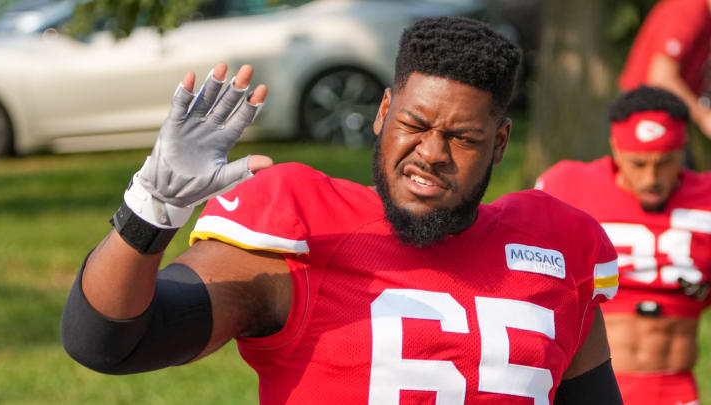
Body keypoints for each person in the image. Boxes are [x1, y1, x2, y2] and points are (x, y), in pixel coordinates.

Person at [61, 17, 624, 404]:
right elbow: (108, 343)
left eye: (463, 138)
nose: (430, 154)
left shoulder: (552, 249)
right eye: (414, 125)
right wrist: (149, 212)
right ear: (383, 112)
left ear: (499, 144)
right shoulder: (303, 233)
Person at [536, 85, 711, 405]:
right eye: (638, 163)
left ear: (683, 148)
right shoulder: (568, 187)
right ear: (615, 149)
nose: (651, 179)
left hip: (674, 389)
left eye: (665, 162)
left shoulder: (706, 200)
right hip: (589, 387)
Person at [618, 0, 711, 138]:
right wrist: (704, 117)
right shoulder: (687, 11)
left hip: (668, 113)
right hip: (646, 113)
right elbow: (662, 79)